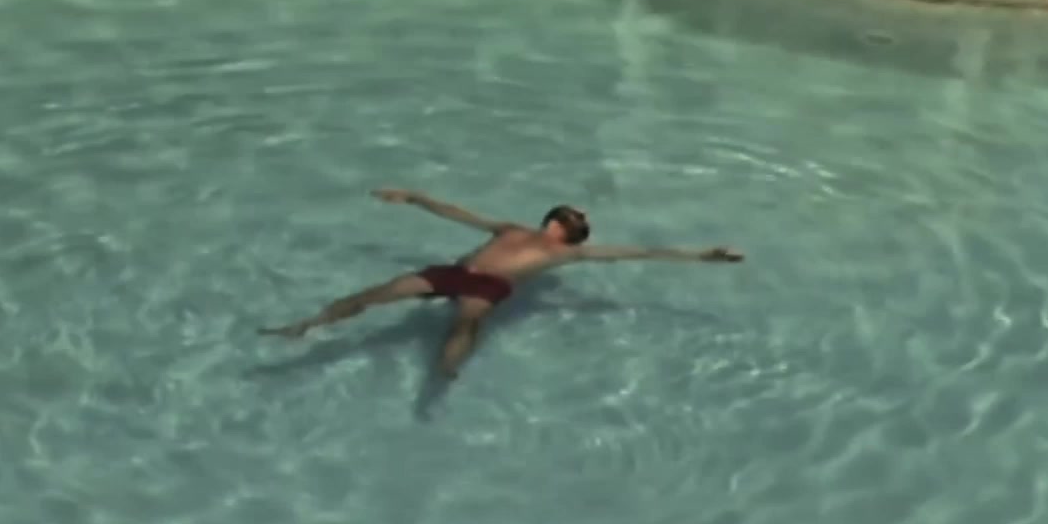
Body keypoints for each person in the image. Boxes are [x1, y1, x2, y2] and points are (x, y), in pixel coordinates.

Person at [259, 189, 744, 378]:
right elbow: (460, 213)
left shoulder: (568, 253)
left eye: (576, 218)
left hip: (487, 287)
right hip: (456, 272)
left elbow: (638, 252)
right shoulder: (511, 229)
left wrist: (702, 255)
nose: (574, 217)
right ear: (554, 219)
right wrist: (416, 198)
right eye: (572, 213)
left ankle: (443, 377)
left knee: (467, 324)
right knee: (374, 295)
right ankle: (306, 326)